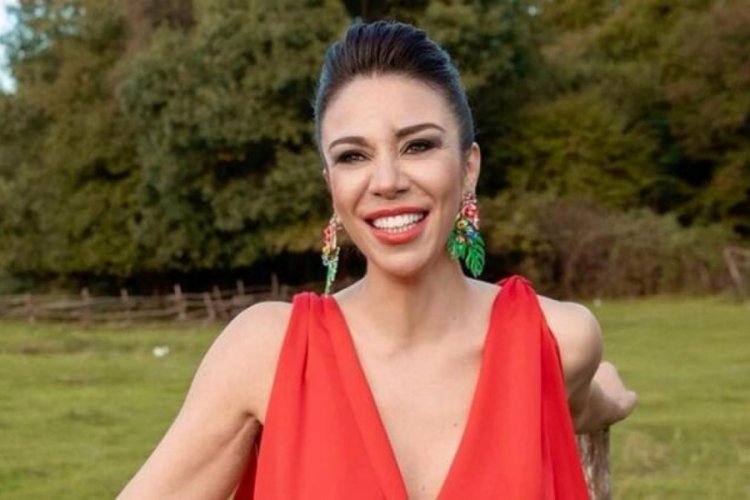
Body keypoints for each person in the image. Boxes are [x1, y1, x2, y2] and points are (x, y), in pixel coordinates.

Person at [119, 20, 637, 500]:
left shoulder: (559, 340)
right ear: (331, 185)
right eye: (353, 156)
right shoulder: (265, 355)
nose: (387, 181)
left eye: (418, 146)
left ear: (468, 168)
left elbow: (586, 401)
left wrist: (613, 396)